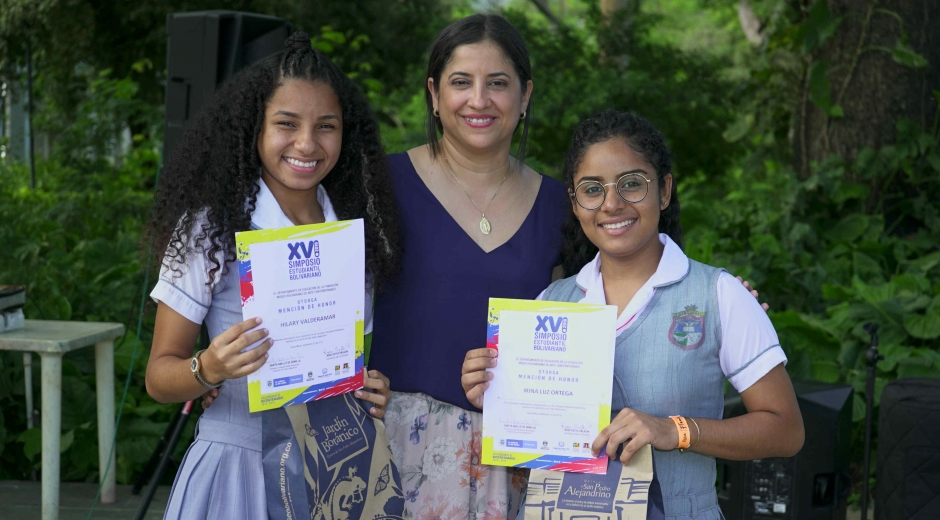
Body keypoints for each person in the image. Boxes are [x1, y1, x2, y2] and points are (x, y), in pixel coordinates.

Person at [461, 109, 804, 520]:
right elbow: (529, 453)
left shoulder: (718, 294)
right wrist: (498, 397)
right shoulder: (553, 302)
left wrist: (673, 429)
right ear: (574, 203)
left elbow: (785, 429)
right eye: (592, 189)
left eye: (631, 184)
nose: (611, 203)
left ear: (663, 190)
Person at [144, 32, 401, 519]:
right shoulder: (209, 229)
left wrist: (369, 390)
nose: (307, 143)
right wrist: (208, 370)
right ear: (253, 129)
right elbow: (160, 377)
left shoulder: (355, 240)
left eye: (327, 126)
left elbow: (344, 370)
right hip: (235, 468)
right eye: (286, 124)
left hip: (333, 471)